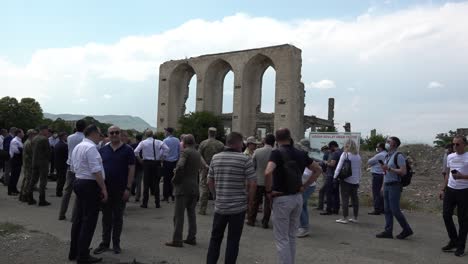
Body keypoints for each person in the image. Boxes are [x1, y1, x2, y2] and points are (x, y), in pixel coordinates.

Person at [265, 129, 321, 264]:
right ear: (290, 137)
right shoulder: (301, 153)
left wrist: (268, 191)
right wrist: (305, 186)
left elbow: (268, 172)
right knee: (291, 236)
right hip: (297, 197)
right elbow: (318, 169)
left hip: (282, 198)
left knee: (281, 238)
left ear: (276, 140)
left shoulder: (276, 153)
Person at [206, 132, 257, 264]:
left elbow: (209, 181)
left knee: (215, 239)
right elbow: (253, 183)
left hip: (220, 207)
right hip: (238, 208)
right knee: (233, 241)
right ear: (238, 143)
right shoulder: (245, 159)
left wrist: (215, 196)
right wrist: (250, 202)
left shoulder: (215, 158)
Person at [69, 124, 108, 264]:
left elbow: (73, 167)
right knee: (89, 221)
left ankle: (74, 251)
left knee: (79, 219)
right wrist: (103, 188)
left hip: (79, 181)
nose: (101, 136)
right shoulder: (91, 148)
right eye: (100, 133)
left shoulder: (78, 147)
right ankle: (83, 255)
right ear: (93, 133)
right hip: (89, 185)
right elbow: (96, 170)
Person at [94, 126, 135, 255]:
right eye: (112, 133)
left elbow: (131, 169)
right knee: (106, 217)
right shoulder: (102, 150)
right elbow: (98, 169)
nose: (114, 135)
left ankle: (116, 244)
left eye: (117, 132)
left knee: (118, 217)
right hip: (106, 189)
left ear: (120, 134)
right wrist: (100, 188)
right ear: (108, 135)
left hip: (120, 189)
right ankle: (105, 243)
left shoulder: (128, 150)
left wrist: (128, 188)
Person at [165, 134, 201, 247]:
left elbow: (180, 166)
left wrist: (175, 179)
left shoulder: (185, 152)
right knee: (191, 214)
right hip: (194, 187)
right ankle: (191, 237)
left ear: (184, 143)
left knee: (179, 215)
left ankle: (177, 239)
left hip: (183, 187)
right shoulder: (197, 153)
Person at [376, 136, 414, 240]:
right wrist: (383, 186)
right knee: (387, 209)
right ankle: (388, 231)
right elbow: (385, 173)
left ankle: (407, 229)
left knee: (395, 209)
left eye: (389, 141)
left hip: (395, 185)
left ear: (395, 144)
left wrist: (389, 168)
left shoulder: (399, 155)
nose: (387, 143)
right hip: (387, 185)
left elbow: (403, 171)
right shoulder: (388, 156)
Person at [440, 135, 468, 257]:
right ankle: (454, 241)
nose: (455, 146)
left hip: (464, 191)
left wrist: (462, 177)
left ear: (465, 145)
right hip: (450, 190)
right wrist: (443, 188)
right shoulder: (450, 156)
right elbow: (447, 174)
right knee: (446, 215)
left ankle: (461, 246)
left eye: (458, 144)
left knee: (463, 220)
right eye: (453, 144)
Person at [133, 130, 169, 209]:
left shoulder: (143, 142)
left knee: (146, 183)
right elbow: (166, 149)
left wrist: (140, 159)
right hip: (156, 163)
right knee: (156, 183)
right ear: (152, 135)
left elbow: (136, 151)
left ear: (145, 135)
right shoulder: (158, 142)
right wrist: (162, 157)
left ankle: (145, 203)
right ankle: (157, 203)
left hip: (146, 163)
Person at [59, 119, 86, 220]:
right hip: (80, 168)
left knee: (67, 191)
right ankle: (74, 217)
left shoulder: (70, 137)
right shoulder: (84, 139)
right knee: (78, 193)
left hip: (70, 165)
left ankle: (61, 213)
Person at [295, 139, 322, 238]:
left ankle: (304, 228)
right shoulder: (304, 157)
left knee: (299, 205)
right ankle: (302, 225)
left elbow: (317, 171)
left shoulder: (309, 158)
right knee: (303, 206)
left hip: (308, 186)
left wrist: (305, 185)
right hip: (306, 185)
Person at [247, 134, 275, 228]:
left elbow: (252, 166)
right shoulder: (276, 152)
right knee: (268, 203)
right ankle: (265, 222)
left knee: (255, 201)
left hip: (258, 180)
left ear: (264, 141)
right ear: (274, 142)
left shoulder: (257, 151)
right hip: (271, 181)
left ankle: (251, 220)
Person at [333, 139, 362, 224]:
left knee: (345, 199)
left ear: (346, 145)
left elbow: (339, 167)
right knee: (355, 199)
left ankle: (345, 218)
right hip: (355, 181)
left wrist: (335, 177)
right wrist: (358, 179)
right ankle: (355, 217)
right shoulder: (358, 156)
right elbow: (359, 169)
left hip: (346, 180)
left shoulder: (345, 154)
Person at [198, 127, 225, 215]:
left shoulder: (203, 143)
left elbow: (199, 155)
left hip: (205, 169)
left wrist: (205, 164)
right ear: (215, 133)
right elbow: (223, 156)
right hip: (217, 168)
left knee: (204, 187)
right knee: (217, 188)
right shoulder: (220, 144)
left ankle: (202, 209)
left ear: (208, 133)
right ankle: (219, 208)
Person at [26, 125, 51, 206]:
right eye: (47, 130)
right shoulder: (44, 139)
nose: (48, 132)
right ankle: (42, 199)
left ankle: (29, 198)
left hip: (34, 161)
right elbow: (48, 152)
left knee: (33, 180)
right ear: (43, 130)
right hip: (43, 163)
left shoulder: (34, 138)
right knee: (43, 181)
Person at [320, 141, 342, 215]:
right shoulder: (341, 152)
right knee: (336, 193)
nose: (329, 150)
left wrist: (326, 162)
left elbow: (332, 164)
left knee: (329, 192)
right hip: (337, 176)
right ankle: (336, 209)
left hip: (331, 175)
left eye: (330, 148)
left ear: (332, 146)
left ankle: (328, 209)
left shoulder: (335, 153)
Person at [367, 142, 387, 215]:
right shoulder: (387, 154)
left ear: (381, 147)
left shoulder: (379, 155)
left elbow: (369, 161)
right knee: (382, 193)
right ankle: (382, 208)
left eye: (377, 147)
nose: (377, 148)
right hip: (384, 174)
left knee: (376, 192)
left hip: (377, 175)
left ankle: (377, 209)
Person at [19, 129, 38, 202]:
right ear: (31, 134)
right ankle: (25, 196)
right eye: (34, 134)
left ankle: (22, 195)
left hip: (27, 164)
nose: (35, 135)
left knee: (26, 179)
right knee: (28, 180)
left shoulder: (27, 142)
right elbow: (32, 155)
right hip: (29, 164)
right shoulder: (29, 143)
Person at [162, 127, 180, 202]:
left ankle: (166, 196)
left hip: (166, 161)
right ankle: (172, 195)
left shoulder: (165, 140)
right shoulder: (177, 140)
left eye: (165, 131)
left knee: (166, 180)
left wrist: (162, 159)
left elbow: (163, 151)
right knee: (173, 179)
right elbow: (179, 151)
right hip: (175, 162)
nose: (164, 133)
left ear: (168, 132)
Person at [8, 129, 24, 196]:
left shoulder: (19, 140)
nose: (23, 134)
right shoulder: (15, 141)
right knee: (14, 175)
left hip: (18, 159)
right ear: (18, 133)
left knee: (16, 175)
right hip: (15, 159)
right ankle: (10, 190)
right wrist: (22, 150)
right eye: (22, 132)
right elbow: (16, 151)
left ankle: (14, 189)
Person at [54, 132, 68, 197]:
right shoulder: (64, 145)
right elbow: (66, 155)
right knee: (62, 179)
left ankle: (58, 191)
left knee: (59, 178)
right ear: (62, 137)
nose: (66, 137)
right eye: (65, 136)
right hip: (62, 164)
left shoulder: (57, 144)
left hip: (57, 163)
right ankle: (59, 191)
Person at [130, 134, 144, 202]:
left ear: (136, 139)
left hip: (133, 165)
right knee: (139, 182)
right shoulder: (143, 146)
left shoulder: (132, 146)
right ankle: (137, 197)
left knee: (131, 180)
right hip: (141, 165)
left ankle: (128, 196)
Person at [317, 145, 330, 211]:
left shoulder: (326, 155)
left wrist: (318, 164)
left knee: (322, 191)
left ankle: (321, 206)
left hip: (326, 174)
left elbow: (324, 164)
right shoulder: (331, 154)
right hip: (329, 174)